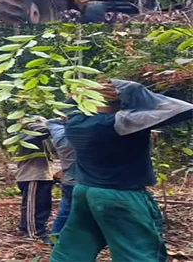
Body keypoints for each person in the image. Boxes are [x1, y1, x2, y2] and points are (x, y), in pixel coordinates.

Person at [51, 80, 193, 262]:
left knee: (75, 245)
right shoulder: (123, 123)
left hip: (85, 191)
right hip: (121, 195)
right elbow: (185, 109)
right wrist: (132, 90)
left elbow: (68, 109)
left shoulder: (76, 123)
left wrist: (84, 91)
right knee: (137, 249)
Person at [13, 116, 54, 243]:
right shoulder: (26, 136)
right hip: (31, 175)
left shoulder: (41, 138)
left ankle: (26, 228)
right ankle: (35, 233)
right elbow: (43, 130)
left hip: (42, 175)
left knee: (41, 205)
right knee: (34, 206)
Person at [45, 116, 77, 240]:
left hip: (68, 180)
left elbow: (50, 121)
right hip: (85, 180)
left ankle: (55, 240)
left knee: (64, 212)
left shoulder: (60, 134)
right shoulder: (83, 135)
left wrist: (64, 118)